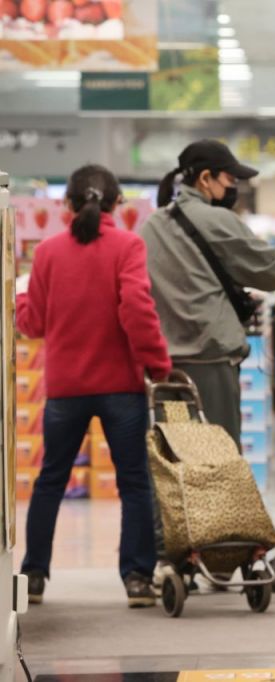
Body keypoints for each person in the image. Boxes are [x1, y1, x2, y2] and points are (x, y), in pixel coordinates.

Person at [17, 165, 172, 608]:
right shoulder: (129, 246)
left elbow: (31, 324)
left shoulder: (48, 252)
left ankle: (33, 575)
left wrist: (23, 294)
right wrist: (157, 363)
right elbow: (137, 308)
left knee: (50, 480)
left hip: (65, 388)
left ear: (67, 204)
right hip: (121, 385)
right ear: (117, 203)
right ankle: (137, 579)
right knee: (134, 483)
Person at [141, 140, 275, 447]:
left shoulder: (151, 225)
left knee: (174, 455)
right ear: (205, 178)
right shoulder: (217, 219)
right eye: (230, 179)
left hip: (163, 366)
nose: (234, 187)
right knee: (218, 456)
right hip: (210, 361)